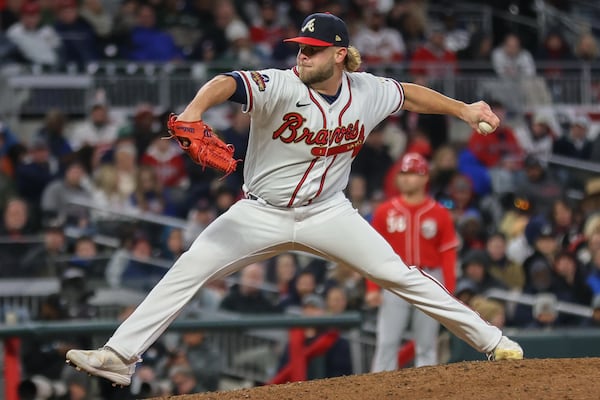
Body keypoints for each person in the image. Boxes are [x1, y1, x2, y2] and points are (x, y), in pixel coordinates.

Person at [66, 12, 523, 387]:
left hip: (328, 212)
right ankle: (120, 355)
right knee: (191, 265)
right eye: (299, 48)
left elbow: (411, 95)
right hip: (259, 212)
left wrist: (464, 109)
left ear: (339, 55)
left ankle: (494, 342)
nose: (301, 55)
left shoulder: (367, 91)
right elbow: (229, 81)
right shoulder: (280, 84)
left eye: (312, 50)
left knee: (400, 275)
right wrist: (194, 112)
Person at [367, 152, 459, 370]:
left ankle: (427, 391)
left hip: (429, 276)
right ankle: (379, 390)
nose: (406, 178)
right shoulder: (384, 211)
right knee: (387, 342)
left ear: (425, 178)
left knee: (426, 343)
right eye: (403, 173)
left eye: (412, 174)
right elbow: (371, 252)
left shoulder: (439, 213)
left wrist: (449, 288)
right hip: (395, 277)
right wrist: (372, 287)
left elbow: (448, 253)